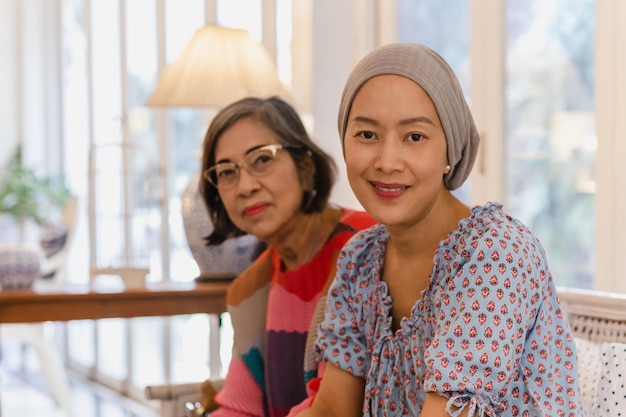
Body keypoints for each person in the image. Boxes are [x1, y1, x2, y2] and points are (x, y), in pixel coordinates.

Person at [294, 43, 589, 417]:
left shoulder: (496, 253)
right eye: (367, 135)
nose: (386, 161)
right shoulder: (359, 260)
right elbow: (333, 411)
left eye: (414, 137)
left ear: (450, 150)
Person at [198, 96, 377, 417]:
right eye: (226, 172)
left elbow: (335, 408)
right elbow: (239, 408)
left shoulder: (365, 245)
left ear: (305, 166)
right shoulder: (249, 289)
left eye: (262, 159)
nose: (245, 186)